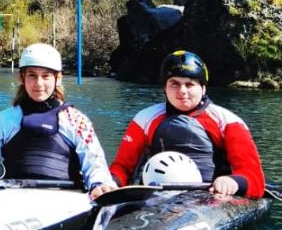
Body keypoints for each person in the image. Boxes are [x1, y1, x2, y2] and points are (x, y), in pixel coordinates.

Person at [109, 50, 265, 198]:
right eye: (174, 84)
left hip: (212, 196)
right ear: (165, 88)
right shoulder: (144, 119)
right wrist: (111, 183)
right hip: (155, 195)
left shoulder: (228, 121)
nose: (182, 91)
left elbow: (254, 178)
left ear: (203, 88)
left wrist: (234, 182)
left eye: (190, 84)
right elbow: (123, 167)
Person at [0, 42, 114, 200]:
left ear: (58, 78)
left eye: (46, 76)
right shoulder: (4, 120)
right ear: (22, 78)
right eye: (32, 75)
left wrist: (99, 184)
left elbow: (95, 162)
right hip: (12, 199)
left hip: (65, 200)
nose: (39, 83)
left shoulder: (76, 120)